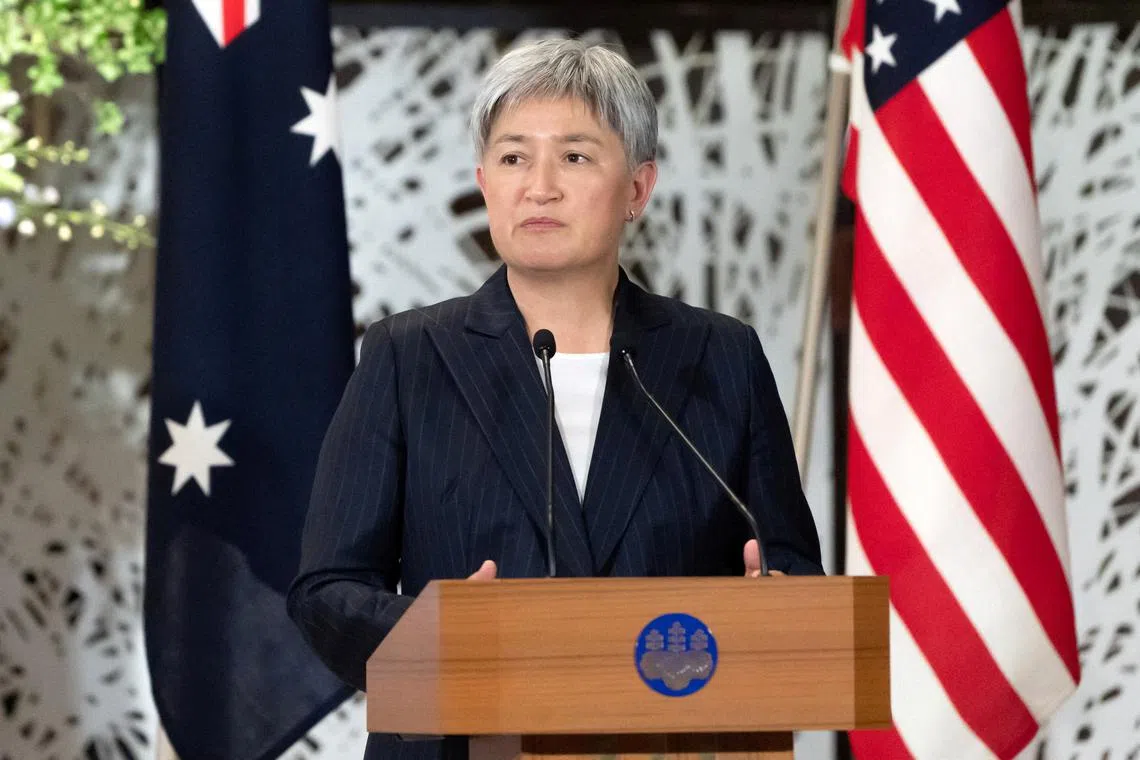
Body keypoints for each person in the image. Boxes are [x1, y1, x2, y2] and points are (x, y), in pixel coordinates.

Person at [287, 38, 823, 760]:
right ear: (484, 183)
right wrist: (441, 632)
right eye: (513, 158)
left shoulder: (720, 357)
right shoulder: (408, 356)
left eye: (574, 156)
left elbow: (791, 571)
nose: (539, 186)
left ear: (637, 188)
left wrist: (773, 602)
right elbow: (327, 590)